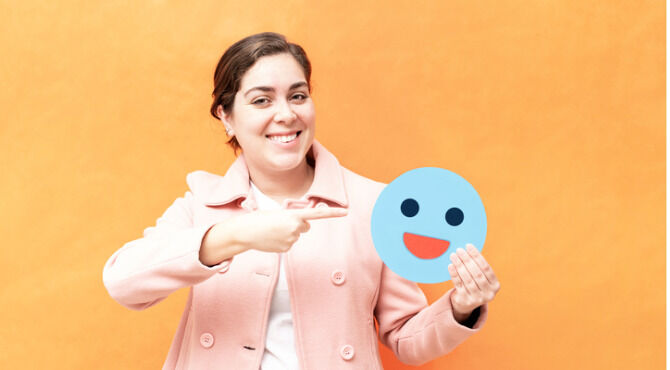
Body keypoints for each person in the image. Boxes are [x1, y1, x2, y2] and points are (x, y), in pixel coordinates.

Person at [103, 32, 500, 370]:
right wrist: (235, 236)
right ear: (226, 116)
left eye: (298, 95)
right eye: (261, 100)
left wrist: (460, 307)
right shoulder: (203, 203)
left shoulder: (372, 204)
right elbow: (122, 282)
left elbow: (405, 337)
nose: (286, 114)